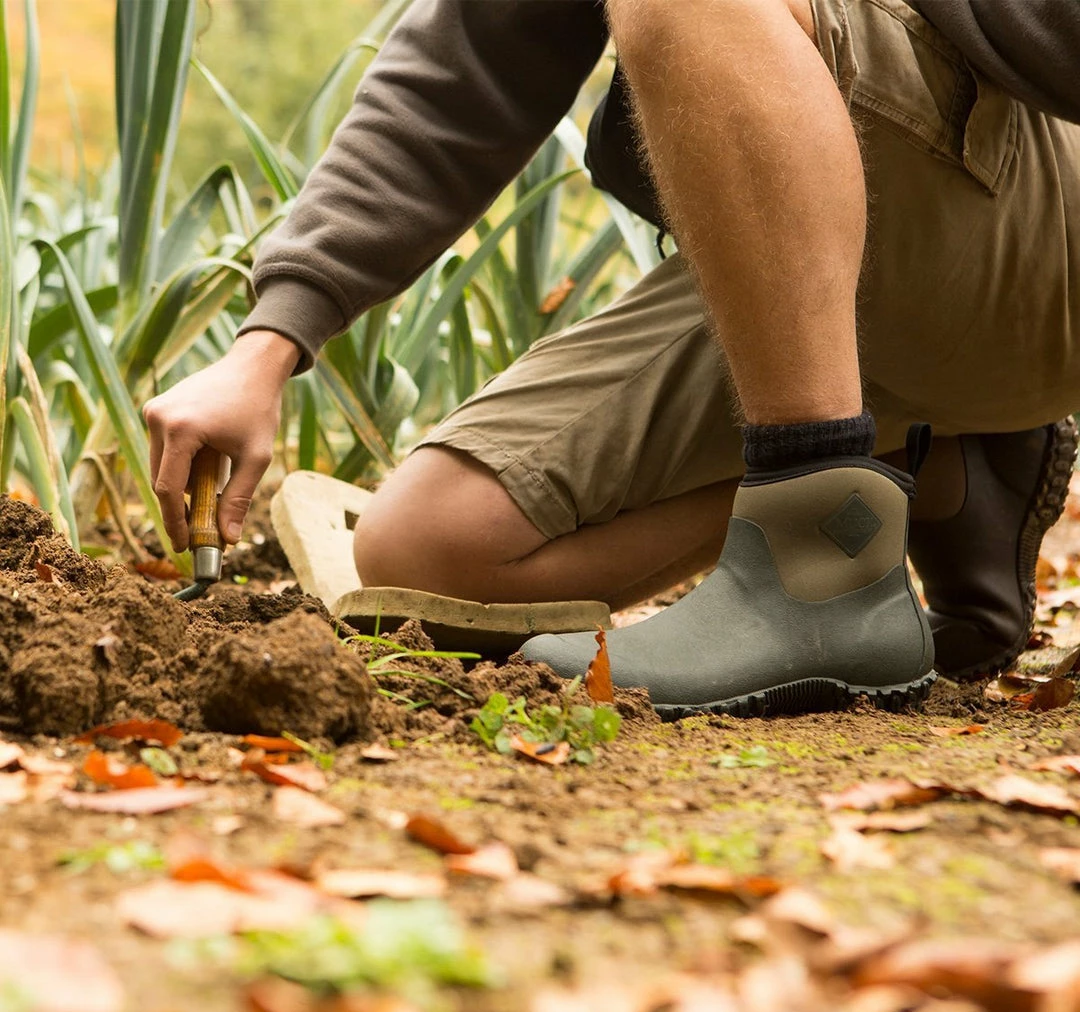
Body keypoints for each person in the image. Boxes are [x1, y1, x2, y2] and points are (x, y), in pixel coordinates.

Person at [144, 0, 1080, 718]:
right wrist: (268, 345)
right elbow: (460, 72)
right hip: (816, 260)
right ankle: (922, 468)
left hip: (1039, 213)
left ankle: (816, 570)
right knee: (425, 554)